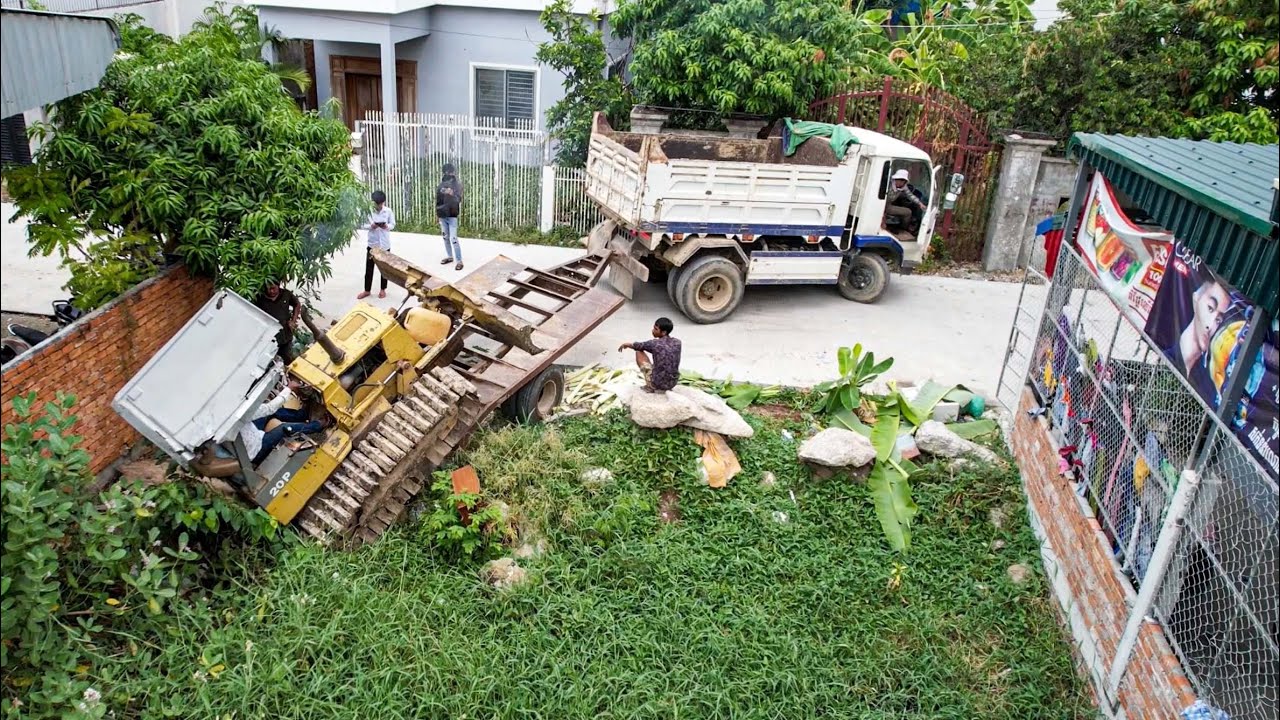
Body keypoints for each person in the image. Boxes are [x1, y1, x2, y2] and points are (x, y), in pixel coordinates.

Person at [240, 378, 329, 465]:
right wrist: (289, 388)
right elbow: (269, 408)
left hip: (250, 433)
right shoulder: (237, 414)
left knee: (272, 413)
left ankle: (302, 415)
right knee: (284, 428)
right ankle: (317, 425)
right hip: (257, 449)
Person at [618, 317, 682, 392]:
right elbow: (664, 351)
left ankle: (651, 386)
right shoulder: (677, 342)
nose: (652, 330)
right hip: (672, 382)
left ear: (664, 332)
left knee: (638, 351)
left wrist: (627, 344)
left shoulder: (654, 343)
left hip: (658, 384)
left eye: (655, 329)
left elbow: (638, 346)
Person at [359, 190, 395, 299]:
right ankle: (367, 290)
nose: (379, 206)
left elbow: (393, 224)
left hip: (384, 245)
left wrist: (386, 227)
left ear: (383, 202)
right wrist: (371, 226)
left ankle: (383, 289)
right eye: (376, 204)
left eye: (380, 204)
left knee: (385, 269)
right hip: (372, 244)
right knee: (369, 268)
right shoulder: (368, 212)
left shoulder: (388, 211)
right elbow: (361, 224)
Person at [254, 279, 301, 362]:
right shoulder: (260, 297)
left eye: (273, 288)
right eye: (269, 289)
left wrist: (293, 320)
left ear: (278, 286)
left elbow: (297, 304)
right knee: (267, 360)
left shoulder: (286, 294)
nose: (271, 291)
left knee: (286, 358)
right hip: (268, 337)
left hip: (285, 334)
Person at [436, 163, 464, 271]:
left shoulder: (457, 185)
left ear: (453, 172)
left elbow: (459, 199)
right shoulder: (441, 184)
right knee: (445, 237)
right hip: (442, 214)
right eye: (446, 172)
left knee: (453, 238)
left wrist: (452, 194)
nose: (448, 174)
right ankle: (449, 256)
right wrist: (437, 214)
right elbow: (437, 200)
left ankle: (459, 260)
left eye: (450, 172)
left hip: (452, 214)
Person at [884, 169, 925, 234]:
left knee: (907, 211)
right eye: (897, 180)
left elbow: (910, 195)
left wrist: (920, 203)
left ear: (904, 181)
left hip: (889, 204)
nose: (899, 182)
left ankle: (901, 228)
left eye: (901, 181)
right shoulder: (887, 184)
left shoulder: (903, 187)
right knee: (908, 212)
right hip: (883, 205)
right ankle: (901, 229)